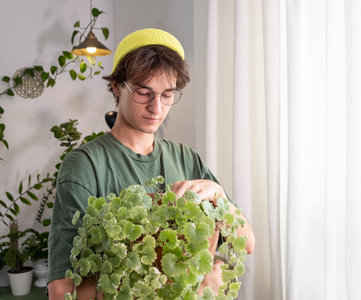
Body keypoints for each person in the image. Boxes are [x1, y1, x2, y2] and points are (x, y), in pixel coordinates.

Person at [47, 28, 255, 299]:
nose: (156, 108)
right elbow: (61, 288)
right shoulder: (85, 165)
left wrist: (218, 194)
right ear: (116, 86)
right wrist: (195, 285)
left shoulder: (186, 158)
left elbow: (247, 242)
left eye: (167, 94)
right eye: (144, 92)